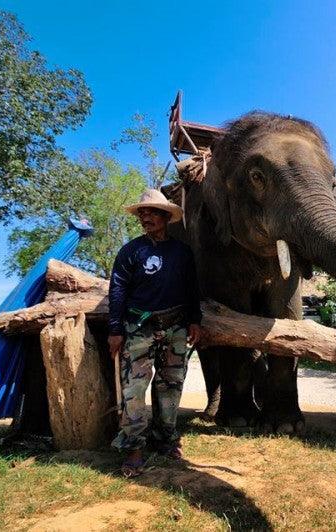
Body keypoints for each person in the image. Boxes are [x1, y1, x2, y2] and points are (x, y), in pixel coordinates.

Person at [108, 189, 202, 477]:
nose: (145, 217)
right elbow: (118, 290)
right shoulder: (130, 251)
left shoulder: (182, 252)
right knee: (133, 390)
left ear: (165, 216)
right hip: (138, 329)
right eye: (141, 213)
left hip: (175, 327)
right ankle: (134, 448)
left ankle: (165, 439)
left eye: (151, 212)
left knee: (170, 386)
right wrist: (115, 329)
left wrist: (195, 320)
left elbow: (191, 289)